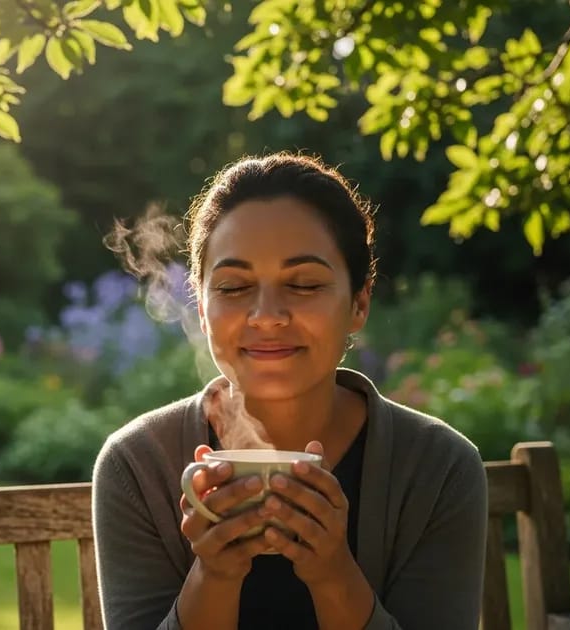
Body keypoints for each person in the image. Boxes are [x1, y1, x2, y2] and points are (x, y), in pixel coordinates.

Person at [92, 152, 488, 629]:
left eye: (303, 283)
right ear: (201, 309)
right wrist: (214, 576)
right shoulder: (138, 466)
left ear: (359, 302)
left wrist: (333, 575)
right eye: (234, 288)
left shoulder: (439, 469)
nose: (267, 315)